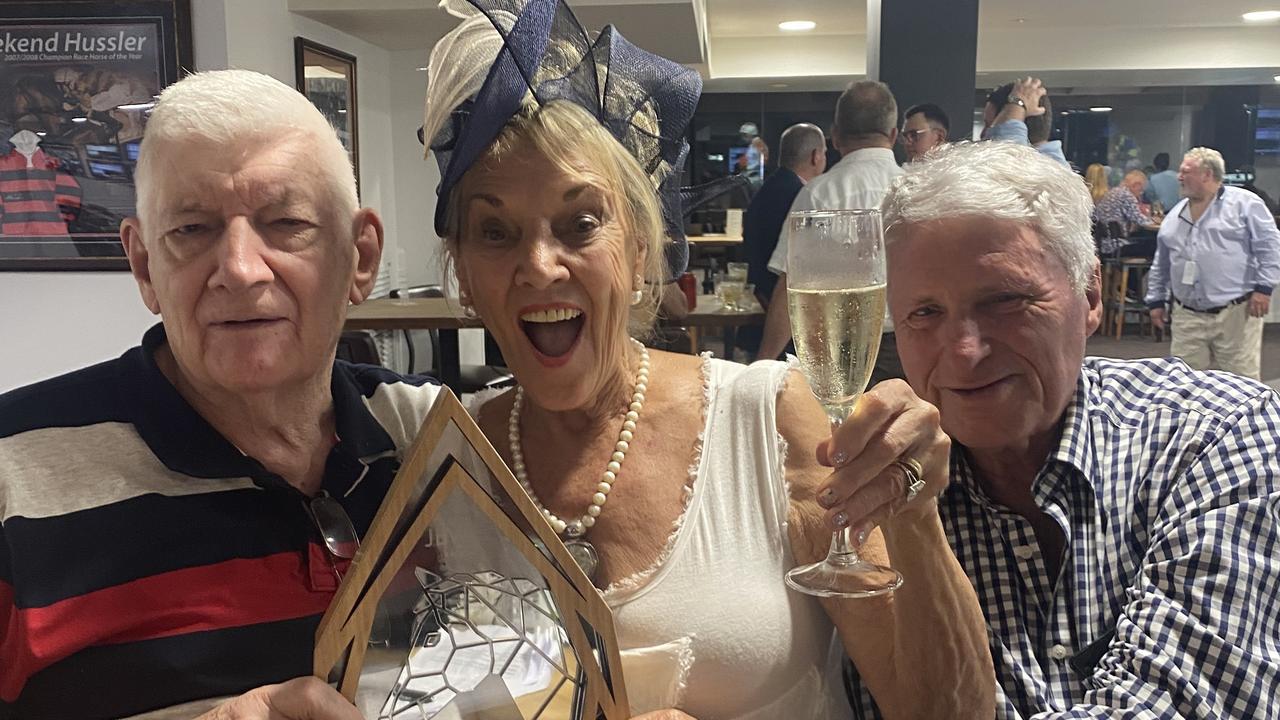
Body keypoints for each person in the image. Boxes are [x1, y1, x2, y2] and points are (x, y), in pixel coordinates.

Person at [421, 3, 994, 718]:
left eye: (581, 223)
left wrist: (915, 517)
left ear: (639, 251)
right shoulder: (441, 457)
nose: (539, 266)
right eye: (495, 231)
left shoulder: (773, 421)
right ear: (464, 273)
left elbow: (951, 712)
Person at [0, 70, 438, 720]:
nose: (237, 267)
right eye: (193, 229)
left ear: (361, 256)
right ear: (146, 264)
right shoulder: (13, 477)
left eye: (286, 222)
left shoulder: (431, 440)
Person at [868, 139, 1280, 718]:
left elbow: (1183, 702)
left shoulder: (1215, 433)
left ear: (1089, 295)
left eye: (1005, 300)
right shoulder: (879, 493)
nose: (962, 352)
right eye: (925, 313)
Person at [757, 81, 904, 382]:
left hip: (841, 348)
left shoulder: (819, 194)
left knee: (839, 427)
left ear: (835, 137)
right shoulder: (915, 189)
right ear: (893, 134)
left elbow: (792, 285)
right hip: (910, 347)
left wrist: (762, 364)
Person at [1146, 147, 1280, 380]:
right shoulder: (1175, 215)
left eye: (1185, 171)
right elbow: (1162, 262)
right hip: (1187, 315)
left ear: (1207, 174)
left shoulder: (1246, 204)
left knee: (1241, 384)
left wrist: (1264, 288)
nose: (1179, 177)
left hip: (1236, 312)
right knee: (1184, 384)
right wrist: (1155, 300)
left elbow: (1269, 246)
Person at [738, 122, 825, 357]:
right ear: (816, 156)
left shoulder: (768, 188)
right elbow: (792, 273)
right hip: (780, 318)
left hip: (759, 301)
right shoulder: (802, 195)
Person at [983, 77, 1067, 165]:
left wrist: (1017, 104)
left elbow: (1005, 151)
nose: (983, 134)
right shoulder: (1055, 164)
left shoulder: (1050, 169)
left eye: (990, 126)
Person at [1091, 169, 1157, 234]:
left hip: (1106, 240)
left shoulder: (1112, 192)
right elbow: (1139, 220)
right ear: (1136, 185)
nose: (1141, 193)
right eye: (1141, 190)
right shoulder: (1127, 195)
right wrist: (1155, 221)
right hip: (1120, 242)